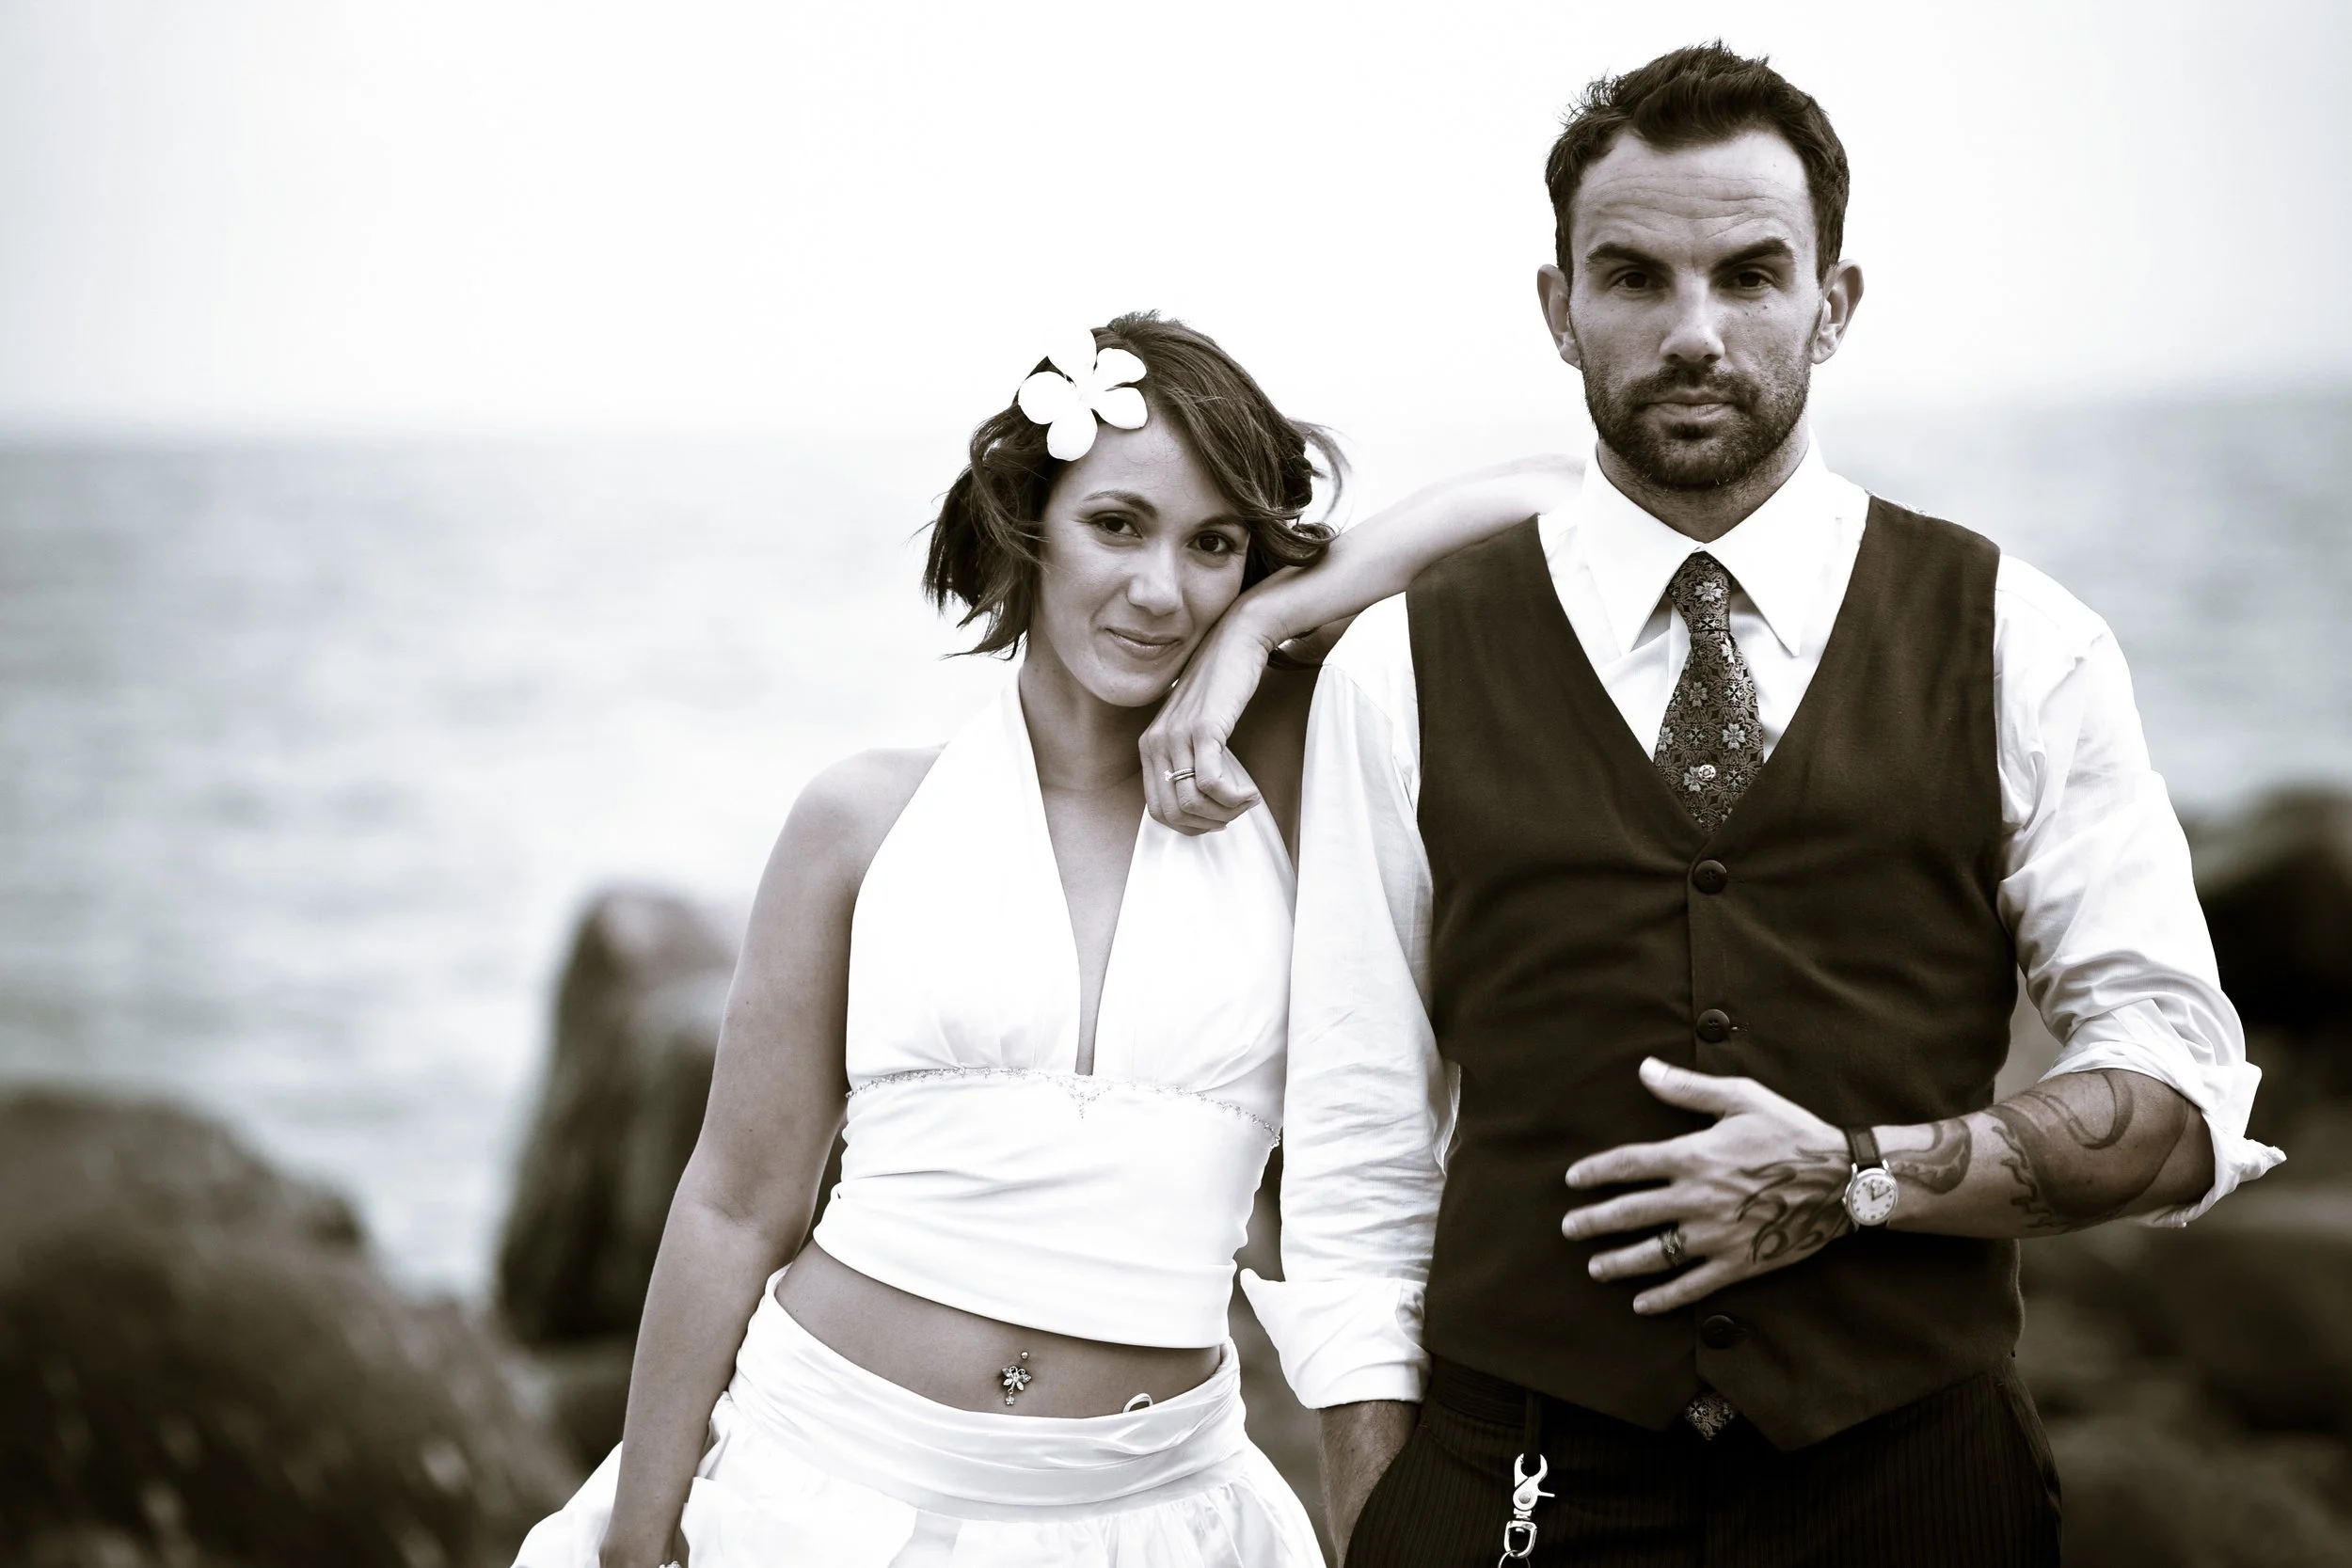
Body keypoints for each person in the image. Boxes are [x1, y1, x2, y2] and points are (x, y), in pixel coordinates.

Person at [1141, 43, 2281, 1568]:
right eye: (1634, 278)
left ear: (1835, 303)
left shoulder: (2025, 642)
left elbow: (2184, 1096)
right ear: (1560, 307)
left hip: (1917, 1489)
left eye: (1751, 275)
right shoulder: (1401, 669)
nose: (1695, 332)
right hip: (1515, 1484)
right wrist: (1379, 1502)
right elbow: (1360, 1145)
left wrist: (1861, 1173)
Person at [512, 312, 1571, 1568]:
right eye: (1116, 524)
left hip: (1156, 1519)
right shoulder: (861, 819)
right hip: (812, 1487)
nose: (1159, 589)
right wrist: (639, 1534)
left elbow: (1560, 499)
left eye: (1211, 543)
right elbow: (737, 1204)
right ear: (1028, 525)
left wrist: (1261, 630)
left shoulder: (1295, 793)